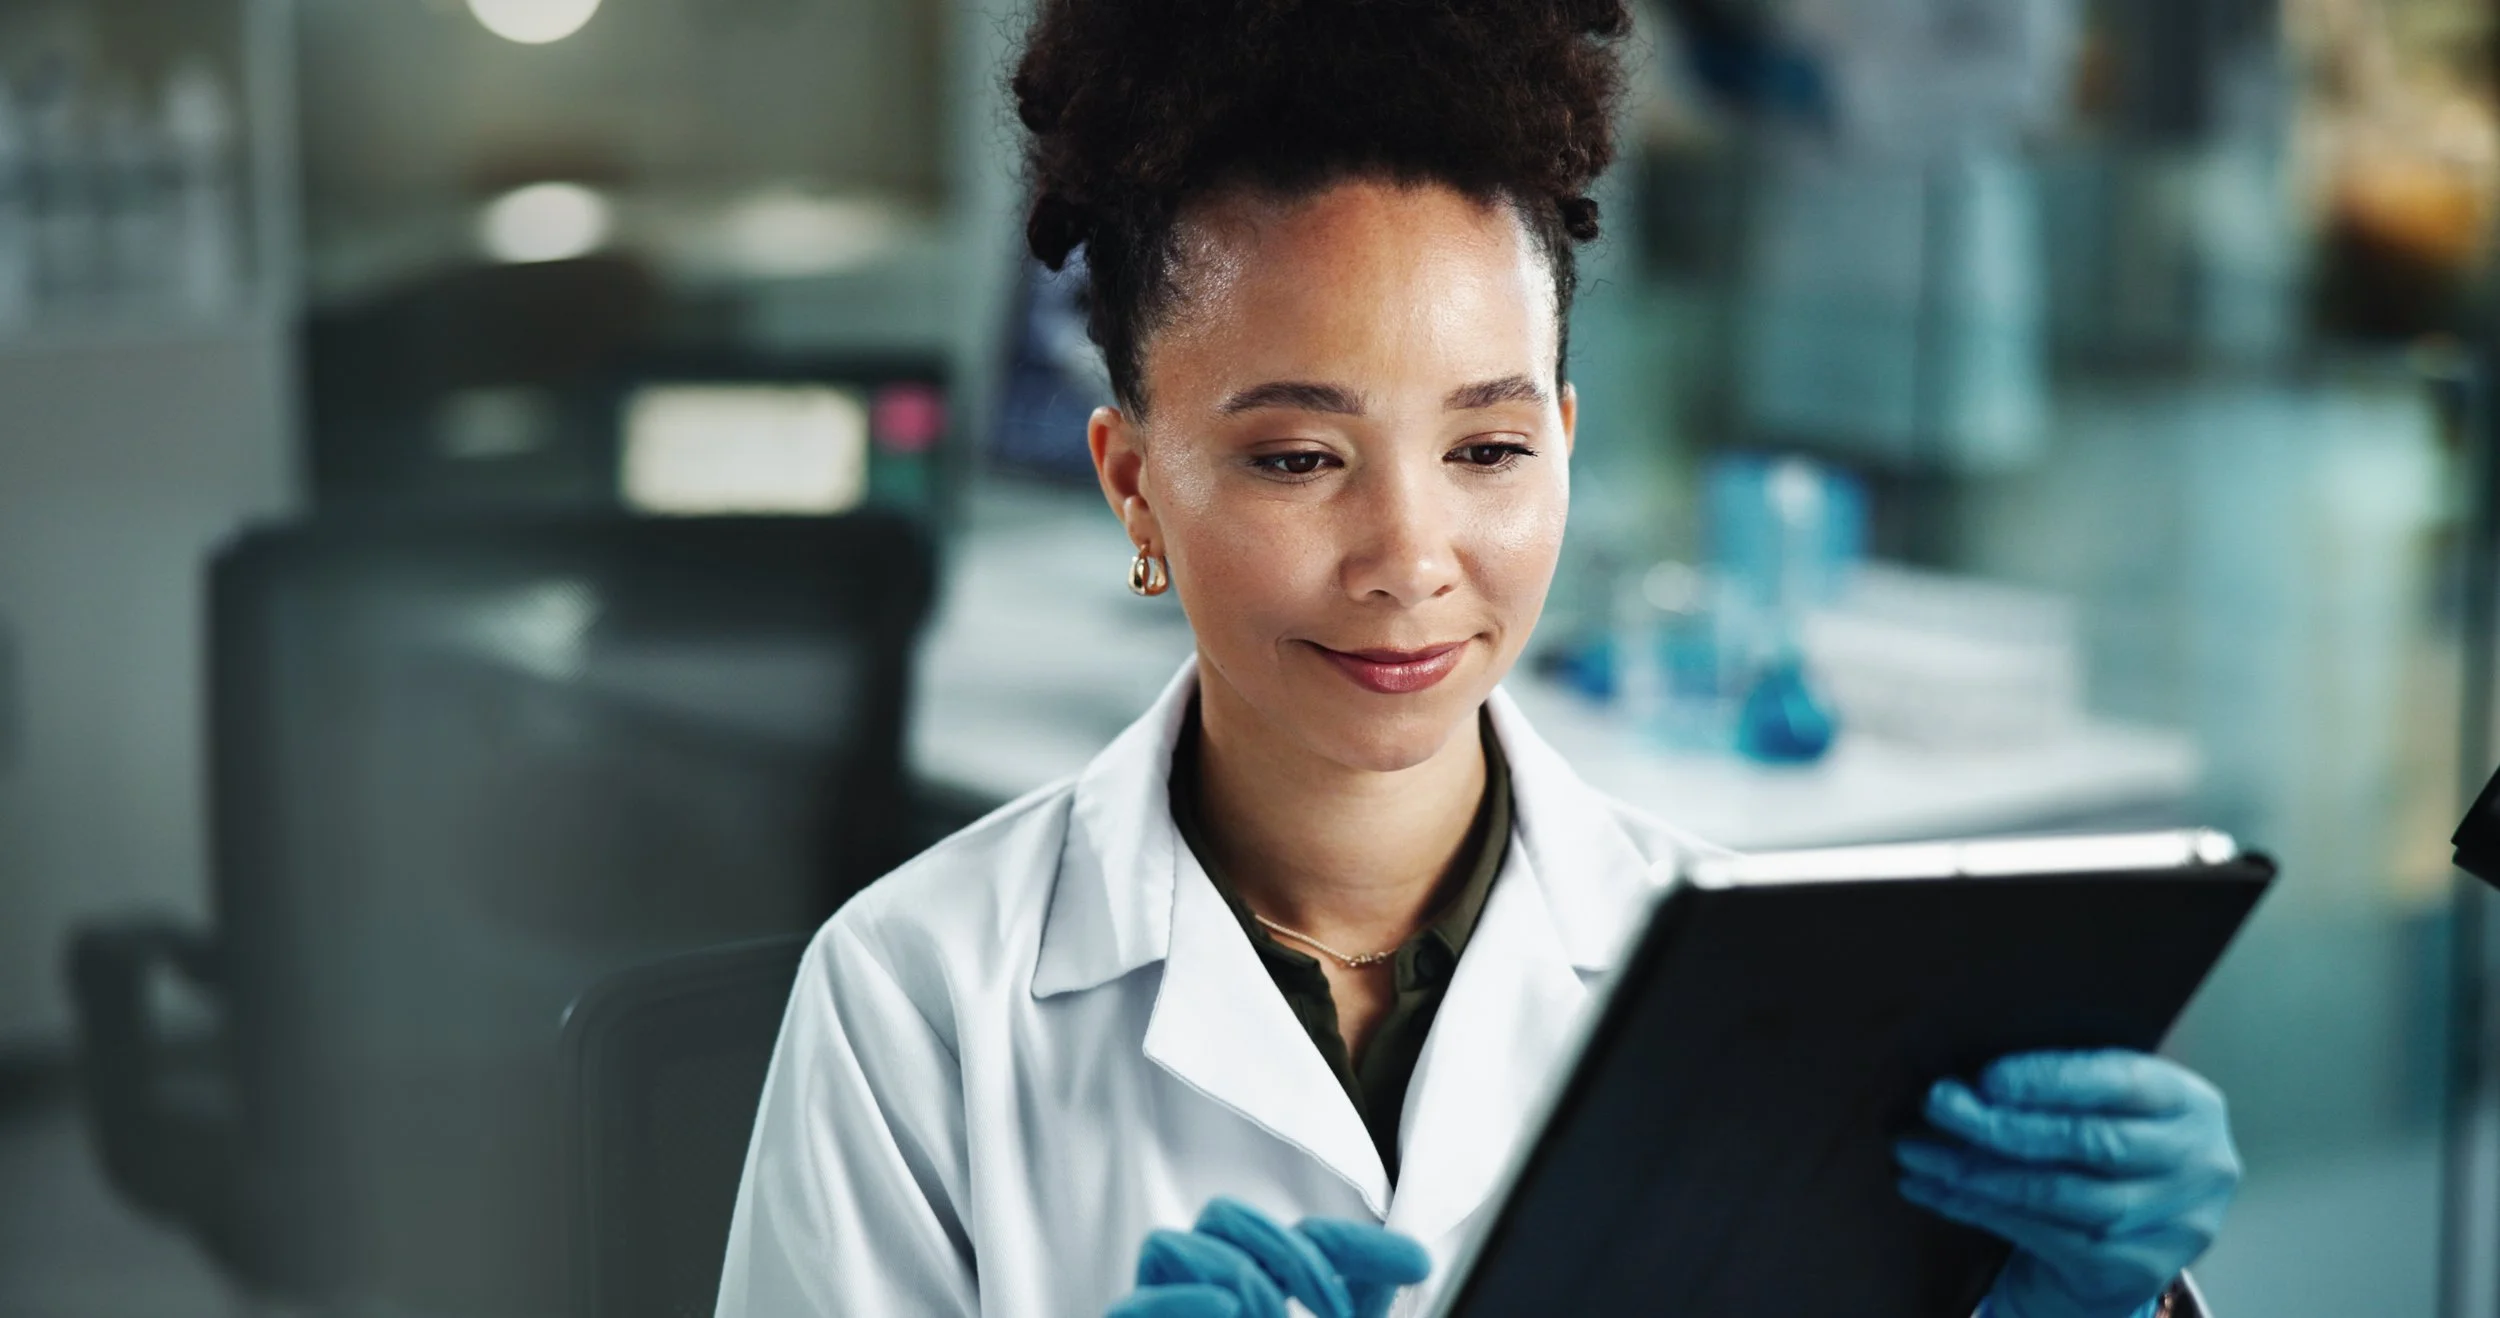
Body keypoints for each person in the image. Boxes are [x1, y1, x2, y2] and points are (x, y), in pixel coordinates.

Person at [714, 2, 2242, 1315]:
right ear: (1134, 483)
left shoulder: (1753, 993)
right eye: (1301, 457)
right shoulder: (915, 1003)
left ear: (1566, 446)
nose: (1411, 554)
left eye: (1489, 445)